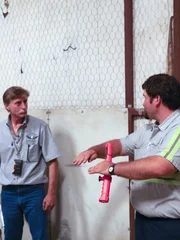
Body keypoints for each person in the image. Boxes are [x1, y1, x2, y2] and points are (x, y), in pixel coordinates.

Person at [73, 74, 180, 240]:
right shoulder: (149, 130)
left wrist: (112, 168)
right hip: (144, 221)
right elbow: (120, 145)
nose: (143, 103)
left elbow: (160, 165)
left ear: (156, 100)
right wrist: (94, 150)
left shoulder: (177, 128)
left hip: (170, 226)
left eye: (145, 97)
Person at [0, 86, 60, 240]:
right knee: (11, 236)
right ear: (7, 106)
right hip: (8, 193)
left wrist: (51, 193)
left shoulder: (40, 127)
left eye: (25, 102)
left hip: (34, 192)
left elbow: (52, 162)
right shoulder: (0, 130)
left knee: (40, 235)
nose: (24, 107)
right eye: (18, 103)